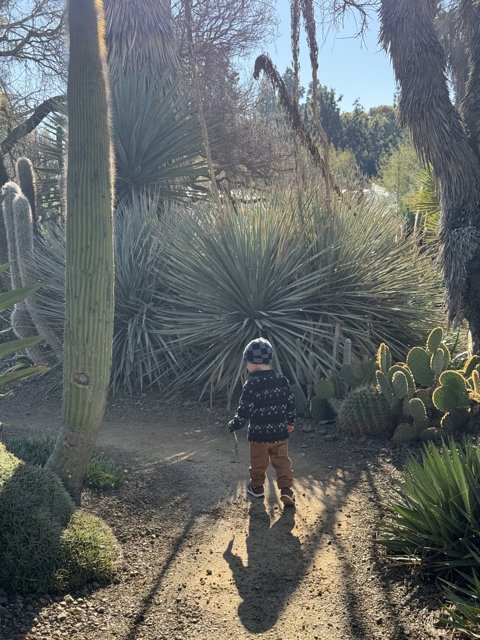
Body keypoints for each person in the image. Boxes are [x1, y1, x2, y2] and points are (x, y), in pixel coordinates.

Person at [228, 337, 296, 506]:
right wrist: (290, 422)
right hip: (280, 433)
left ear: (251, 362)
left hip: (259, 435)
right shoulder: (282, 380)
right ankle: (286, 489)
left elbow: (245, 410)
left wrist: (236, 423)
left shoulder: (251, 384)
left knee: (258, 463)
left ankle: (257, 487)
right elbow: (290, 403)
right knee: (282, 461)